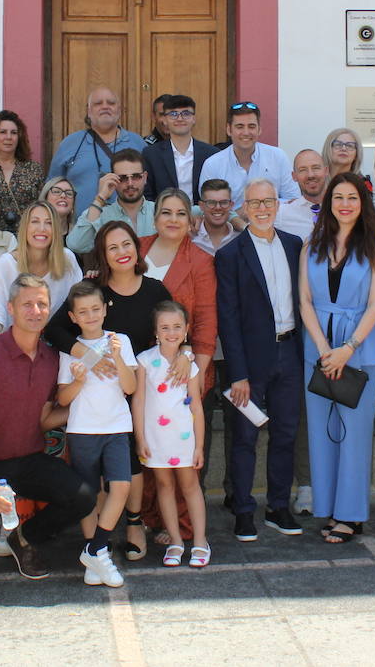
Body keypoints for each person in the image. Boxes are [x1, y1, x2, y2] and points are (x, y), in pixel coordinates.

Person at [0, 273, 97, 581]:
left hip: (29, 461)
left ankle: (25, 538)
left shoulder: (51, 359)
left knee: (83, 496)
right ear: (11, 309)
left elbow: (45, 420)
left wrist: (87, 406)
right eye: (27, 304)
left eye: (42, 304)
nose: (35, 311)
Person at [45, 221, 172, 556]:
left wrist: (186, 352)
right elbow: (55, 331)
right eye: (112, 247)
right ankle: (98, 538)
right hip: (95, 393)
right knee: (97, 474)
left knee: (132, 463)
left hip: (137, 386)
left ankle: (134, 523)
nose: (121, 252)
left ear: (137, 248)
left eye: (126, 244)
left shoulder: (155, 290)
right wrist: (89, 358)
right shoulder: (93, 290)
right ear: (102, 254)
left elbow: (171, 328)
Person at [296, 172, 375, 544]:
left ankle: (350, 516)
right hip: (318, 349)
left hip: (360, 349)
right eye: (338, 197)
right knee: (323, 433)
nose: (345, 204)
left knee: (353, 434)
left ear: (362, 202)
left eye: (352, 197)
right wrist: (324, 350)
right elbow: (305, 301)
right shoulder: (312, 243)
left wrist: (348, 348)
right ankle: (329, 508)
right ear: (329, 203)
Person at [215, 178, 304, 542]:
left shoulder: (295, 245)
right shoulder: (230, 255)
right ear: (244, 208)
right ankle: (243, 510)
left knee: (285, 433)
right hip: (250, 363)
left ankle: (278, 506)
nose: (262, 209)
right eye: (255, 203)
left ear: (277, 205)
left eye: (268, 202)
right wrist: (237, 374)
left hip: (290, 352)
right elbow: (228, 318)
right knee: (245, 437)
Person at [138, 189, 218, 542]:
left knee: (183, 456)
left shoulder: (200, 260)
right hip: (143, 371)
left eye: (181, 213)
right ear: (155, 218)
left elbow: (206, 322)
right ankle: (148, 517)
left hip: (182, 372)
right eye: (166, 212)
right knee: (148, 449)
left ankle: (183, 529)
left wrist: (194, 368)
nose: (173, 219)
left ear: (191, 220)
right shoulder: (137, 249)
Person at [56, 281, 139, 587]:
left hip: (116, 427)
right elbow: (63, 399)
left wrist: (117, 357)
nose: (90, 315)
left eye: (95, 309)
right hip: (83, 430)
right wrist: (78, 381)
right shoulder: (70, 351)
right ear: (73, 316)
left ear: (105, 309)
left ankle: (95, 549)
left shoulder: (121, 341)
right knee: (89, 495)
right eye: (83, 311)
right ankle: (97, 558)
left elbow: (130, 387)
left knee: (121, 487)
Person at [135, 301, 209, 567]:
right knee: (164, 486)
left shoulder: (191, 365)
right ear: (155, 331)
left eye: (177, 326)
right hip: (156, 438)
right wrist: (140, 438)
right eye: (164, 327)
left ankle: (200, 540)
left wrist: (199, 446)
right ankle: (175, 541)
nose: (171, 332)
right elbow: (139, 402)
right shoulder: (144, 361)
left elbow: (197, 407)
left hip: (184, 438)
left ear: (186, 329)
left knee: (190, 486)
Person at [0, 201, 82, 337]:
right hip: (16, 343)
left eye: (49, 223)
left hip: (59, 342)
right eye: (35, 221)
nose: (42, 228)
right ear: (25, 227)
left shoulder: (67, 259)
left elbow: (80, 303)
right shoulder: (5, 265)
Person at [48, 86, 147, 216]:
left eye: (111, 103)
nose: (105, 107)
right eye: (98, 103)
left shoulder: (138, 143)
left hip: (129, 225)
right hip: (80, 226)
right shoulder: (70, 144)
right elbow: (51, 188)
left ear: (119, 110)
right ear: (89, 111)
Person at [198, 101, 299, 204]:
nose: (246, 133)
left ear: (259, 129)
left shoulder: (277, 157)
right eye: (240, 127)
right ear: (229, 130)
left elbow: (293, 201)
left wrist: (261, 207)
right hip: (230, 216)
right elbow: (209, 207)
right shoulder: (212, 165)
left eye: (251, 126)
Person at [66, 149, 156, 253]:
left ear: (145, 177)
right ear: (113, 179)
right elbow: (76, 245)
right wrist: (100, 198)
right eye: (122, 178)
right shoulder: (101, 215)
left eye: (136, 176)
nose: (130, 183)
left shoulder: (159, 211)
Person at [143, 94, 220, 203]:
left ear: (194, 119)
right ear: (165, 120)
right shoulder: (151, 154)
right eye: (173, 114)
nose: (180, 119)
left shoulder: (211, 154)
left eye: (186, 114)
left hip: (202, 212)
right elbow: (147, 195)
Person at [276, 149, 329, 243]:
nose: (310, 175)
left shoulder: (341, 209)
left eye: (316, 168)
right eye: (303, 170)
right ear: (294, 176)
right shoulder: (282, 213)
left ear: (326, 171)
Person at [192, 178, 241, 256]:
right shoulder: (190, 237)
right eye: (211, 202)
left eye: (224, 202)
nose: (218, 207)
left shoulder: (241, 239)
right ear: (201, 206)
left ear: (231, 205)